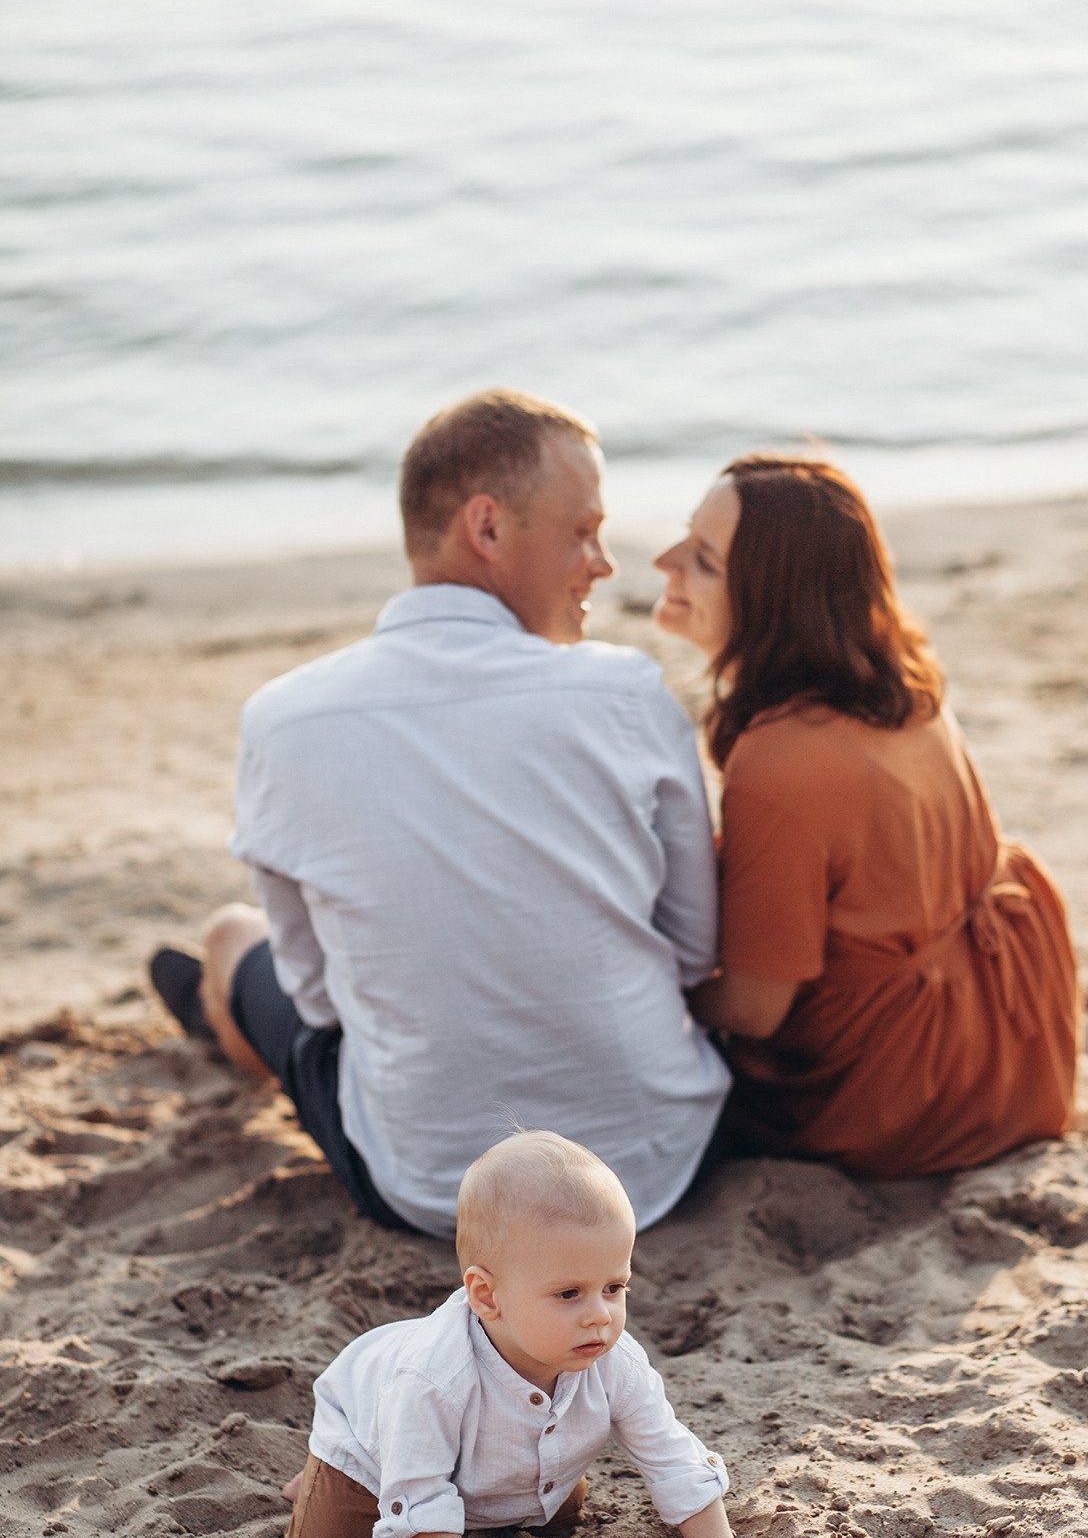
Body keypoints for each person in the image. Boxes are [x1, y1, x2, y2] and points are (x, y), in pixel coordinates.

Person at [150, 390, 729, 1235]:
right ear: (487, 528)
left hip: (434, 1192)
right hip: (659, 1160)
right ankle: (218, 1007)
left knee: (236, 939)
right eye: (582, 530)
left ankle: (218, 1011)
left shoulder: (285, 717)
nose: (603, 562)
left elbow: (319, 1003)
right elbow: (693, 952)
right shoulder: (627, 691)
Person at [653, 455, 1078, 1179]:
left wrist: (643, 977)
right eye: (684, 538)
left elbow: (755, 1010)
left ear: (773, 599)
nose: (665, 562)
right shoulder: (901, 676)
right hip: (1017, 1040)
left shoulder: (782, 759)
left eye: (704, 559)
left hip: (910, 1094)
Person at [283, 1131, 776, 1538]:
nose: (600, 1317)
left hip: (487, 1457)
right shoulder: (432, 1380)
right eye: (569, 1293)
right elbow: (419, 1494)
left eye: (614, 1287)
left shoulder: (614, 1359)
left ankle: (480, 1492)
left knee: (560, 1515)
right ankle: (326, 1474)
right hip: (372, 1447)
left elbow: (674, 1459)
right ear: (486, 1295)